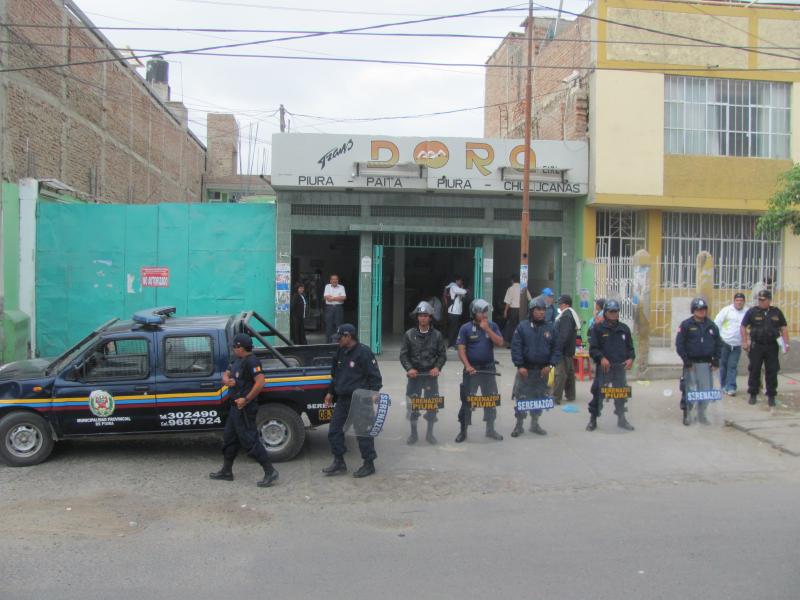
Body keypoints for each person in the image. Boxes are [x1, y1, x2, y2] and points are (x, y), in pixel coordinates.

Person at [209, 333, 278, 487]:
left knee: (250, 440)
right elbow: (225, 375)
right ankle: (227, 471)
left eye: (235, 347)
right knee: (229, 439)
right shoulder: (236, 359)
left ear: (240, 347)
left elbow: (260, 382)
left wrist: (246, 399)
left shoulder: (252, 361)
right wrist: (227, 381)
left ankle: (270, 471)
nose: (233, 349)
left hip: (245, 408)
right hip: (235, 408)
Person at [322, 324, 383, 478]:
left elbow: (375, 376)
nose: (338, 341)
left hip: (361, 399)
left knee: (363, 432)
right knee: (334, 430)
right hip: (343, 399)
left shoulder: (364, 352)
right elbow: (335, 375)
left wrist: (374, 392)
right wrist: (330, 392)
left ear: (348, 336)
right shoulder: (340, 352)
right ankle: (339, 462)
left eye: (340, 338)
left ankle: (369, 464)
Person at [455, 299, 505, 443]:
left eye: (485, 311)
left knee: (490, 400)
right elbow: (461, 349)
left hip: (488, 369)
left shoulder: (492, 325)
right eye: (481, 312)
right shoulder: (465, 328)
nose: (484, 314)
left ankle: (490, 429)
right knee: (467, 401)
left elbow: (500, 343)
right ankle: (463, 431)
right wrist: (467, 365)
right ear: (473, 313)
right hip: (472, 371)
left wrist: (487, 329)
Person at [510, 297, 560, 437]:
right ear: (532, 311)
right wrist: (520, 366)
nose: (542, 312)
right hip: (525, 371)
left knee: (539, 398)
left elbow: (556, 349)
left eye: (544, 309)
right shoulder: (522, 327)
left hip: (542, 372)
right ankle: (519, 425)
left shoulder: (551, 328)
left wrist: (550, 365)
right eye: (538, 309)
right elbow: (516, 348)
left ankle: (535, 423)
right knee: (522, 398)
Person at [400, 301, 447, 445]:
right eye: (420, 315)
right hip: (415, 376)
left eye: (426, 315)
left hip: (430, 376)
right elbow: (403, 355)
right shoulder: (409, 335)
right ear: (417, 317)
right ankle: (413, 434)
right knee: (413, 405)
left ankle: (430, 433)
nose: (423, 318)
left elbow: (442, 355)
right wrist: (409, 369)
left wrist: (437, 368)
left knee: (431, 405)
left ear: (430, 317)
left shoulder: (437, 335)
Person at [587, 299, 635, 431]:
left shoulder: (624, 329)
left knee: (620, 394)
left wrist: (631, 359)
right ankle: (593, 420)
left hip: (619, 368)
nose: (614, 314)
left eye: (616, 311)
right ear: (606, 313)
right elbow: (593, 349)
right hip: (604, 369)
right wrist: (601, 358)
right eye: (611, 312)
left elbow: (631, 349)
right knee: (598, 393)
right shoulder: (598, 328)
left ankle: (621, 419)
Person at [676, 298, 722, 426]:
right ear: (693, 310)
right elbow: (680, 345)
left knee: (706, 391)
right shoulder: (686, 325)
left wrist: (716, 360)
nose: (702, 312)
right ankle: (687, 413)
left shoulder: (712, 326)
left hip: (707, 364)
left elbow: (719, 344)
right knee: (690, 390)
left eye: (703, 309)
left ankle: (701, 414)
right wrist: (687, 361)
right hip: (691, 364)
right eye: (698, 309)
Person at [741, 289, 790, 408]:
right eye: (760, 300)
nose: (761, 302)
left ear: (769, 300)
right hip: (757, 345)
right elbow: (743, 327)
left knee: (772, 370)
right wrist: (745, 342)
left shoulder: (776, 312)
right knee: (754, 369)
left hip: (772, 346)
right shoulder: (752, 311)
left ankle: (771, 395)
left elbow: (783, 328)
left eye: (763, 300)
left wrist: (786, 344)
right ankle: (753, 393)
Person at [714, 292, 747, 396]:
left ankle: (731, 387)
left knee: (732, 366)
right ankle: (723, 385)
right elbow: (717, 323)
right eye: (737, 300)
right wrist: (718, 339)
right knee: (723, 365)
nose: (739, 303)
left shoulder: (747, 312)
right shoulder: (726, 310)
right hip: (724, 342)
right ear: (734, 301)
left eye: (741, 301)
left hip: (737, 344)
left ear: (744, 302)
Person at [553, 294, 580, 404]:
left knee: (560, 373)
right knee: (569, 372)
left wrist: (558, 348)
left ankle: (555, 397)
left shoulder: (566, 316)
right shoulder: (570, 314)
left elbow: (564, 335)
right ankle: (570, 394)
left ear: (565, 304)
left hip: (563, 350)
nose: (559, 306)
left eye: (560, 304)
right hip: (568, 349)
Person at [502, 274, 530, 345]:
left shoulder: (510, 289)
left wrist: (505, 311)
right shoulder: (523, 288)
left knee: (512, 327)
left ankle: (512, 343)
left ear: (512, 280)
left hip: (513, 310)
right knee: (522, 326)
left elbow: (508, 302)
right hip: (523, 310)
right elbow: (530, 299)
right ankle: (521, 343)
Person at [445, 277, 468, 348]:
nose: (461, 283)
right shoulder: (453, 286)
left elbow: (462, 295)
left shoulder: (457, 288)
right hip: (453, 312)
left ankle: (454, 343)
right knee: (453, 329)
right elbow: (463, 292)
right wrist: (465, 290)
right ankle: (450, 344)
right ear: (456, 281)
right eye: (460, 281)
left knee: (455, 329)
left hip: (457, 312)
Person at [323, 274, 346, 342]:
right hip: (329, 308)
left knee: (339, 325)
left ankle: (339, 342)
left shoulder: (341, 287)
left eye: (336, 279)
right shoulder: (327, 286)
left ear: (338, 280)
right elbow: (326, 297)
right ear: (330, 280)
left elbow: (344, 297)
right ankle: (328, 343)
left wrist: (332, 298)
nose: (334, 280)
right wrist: (338, 298)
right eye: (333, 279)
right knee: (328, 325)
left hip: (338, 308)